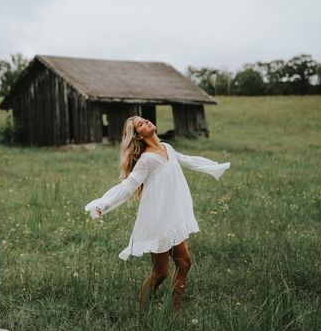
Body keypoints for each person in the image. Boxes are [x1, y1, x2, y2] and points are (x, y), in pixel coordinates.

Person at [84, 116, 230, 315]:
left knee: (184, 262)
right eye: (140, 125)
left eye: (144, 120)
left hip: (173, 215)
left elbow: (188, 160)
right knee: (160, 273)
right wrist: (103, 204)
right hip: (158, 220)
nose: (146, 122)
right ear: (138, 135)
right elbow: (128, 186)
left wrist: (215, 167)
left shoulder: (167, 147)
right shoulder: (146, 160)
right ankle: (142, 310)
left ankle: (176, 309)